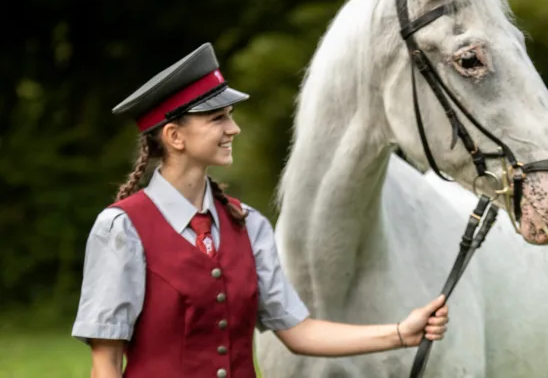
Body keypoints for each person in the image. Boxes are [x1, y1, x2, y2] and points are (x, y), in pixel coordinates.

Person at [71, 43, 449, 378]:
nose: (233, 128)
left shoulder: (248, 225)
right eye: (218, 118)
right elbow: (105, 365)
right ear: (175, 136)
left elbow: (298, 332)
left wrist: (401, 333)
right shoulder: (122, 228)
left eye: (230, 115)